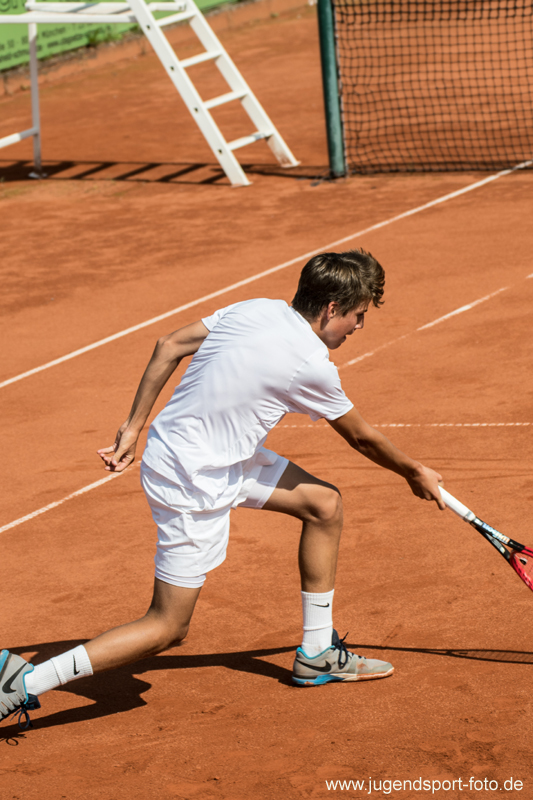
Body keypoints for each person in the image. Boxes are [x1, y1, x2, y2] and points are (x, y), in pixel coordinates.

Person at [1, 249, 445, 727]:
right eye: (358, 315)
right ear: (332, 308)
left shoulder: (256, 308)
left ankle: (317, 653)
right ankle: (23, 684)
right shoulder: (310, 364)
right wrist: (414, 471)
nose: (359, 326)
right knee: (168, 627)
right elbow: (362, 437)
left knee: (323, 504)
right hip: (193, 482)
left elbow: (169, 344)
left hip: (203, 453)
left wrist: (133, 426)